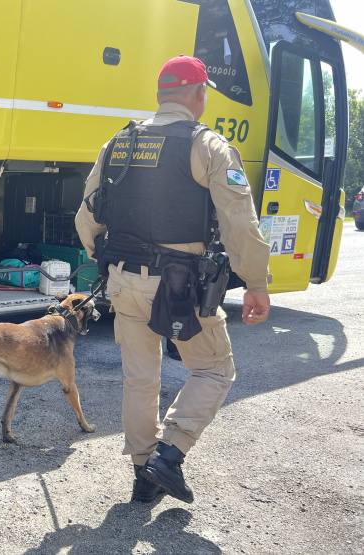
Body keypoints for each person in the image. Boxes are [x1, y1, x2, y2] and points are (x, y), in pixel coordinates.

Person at [75, 55, 271, 504]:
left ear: (161, 94)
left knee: (140, 380)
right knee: (214, 369)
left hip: (123, 280)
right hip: (180, 286)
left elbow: (86, 219)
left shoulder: (118, 143)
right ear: (199, 95)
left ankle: (144, 476)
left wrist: (106, 261)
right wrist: (256, 281)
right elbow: (239, 221)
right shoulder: (209, 145)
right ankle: (170, 454)